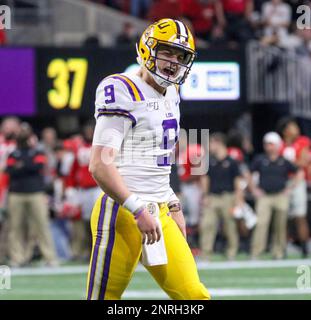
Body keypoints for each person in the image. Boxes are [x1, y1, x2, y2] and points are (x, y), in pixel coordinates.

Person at [86, 18, 210, 300]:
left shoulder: (173, 92)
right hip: (122, 211)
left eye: (181, 57)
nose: (173, 62)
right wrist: (138, 209)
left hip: (159, 210)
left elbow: (156, 159)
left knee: (194, 296)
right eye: (167, 52)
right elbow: (100, 165)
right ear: (147, 49)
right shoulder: (120, 89)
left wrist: (172, 201)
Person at [6, 123, 58, 267]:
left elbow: (38, 167)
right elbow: (10, 170)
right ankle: (17, 258)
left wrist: (21, 166)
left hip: (36, 193)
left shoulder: (37, 152)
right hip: (16, 194)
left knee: (42, 225)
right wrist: (25, 166)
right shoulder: (13, 153)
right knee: (15, 227)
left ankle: (50, 258)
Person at [249, 132, 299, 259]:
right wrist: (254, 189)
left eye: (271, 144)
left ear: (277, 145)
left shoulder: (284, 161)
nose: (268, 147)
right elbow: (248, 173)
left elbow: (298, 173)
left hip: (280, 196)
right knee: (261, 224)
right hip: (265, 196)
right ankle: (256, 252)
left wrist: (290, 188)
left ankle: (279, 252)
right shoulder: (260, 160)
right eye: (266, 144)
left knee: (280, 225)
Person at [200, 133, 243, 260]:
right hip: (213, 197)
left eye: (211, 143)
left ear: (219, 143)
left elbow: (237, 181)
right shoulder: (209, 161)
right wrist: (205, 196)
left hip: (228, 197)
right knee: (207, 224)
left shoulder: (232, 162)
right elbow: (205, 179)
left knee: (230, 226)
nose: (209, 146)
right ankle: (206, 254)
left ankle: (232, 252)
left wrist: (238, 199)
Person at [277, 117, 310, 258]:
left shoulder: (303, 141)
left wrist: (287, 164)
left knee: (299, 215)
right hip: (284, 182)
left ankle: (305, 247)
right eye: (292, 126)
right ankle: (283, 247)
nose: (296, 129)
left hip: (298, 181)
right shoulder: (280, 145)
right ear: (285, 131)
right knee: (283, 216)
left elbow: (303, 161)